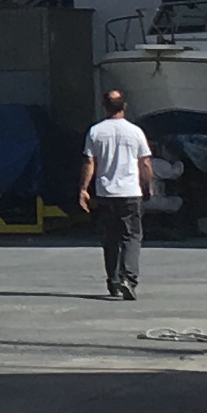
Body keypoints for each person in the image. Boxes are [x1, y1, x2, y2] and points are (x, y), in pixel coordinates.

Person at [79, 89, 154, 301]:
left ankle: (113, 281)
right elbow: (145, 162)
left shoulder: (95, 132)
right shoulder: (135, 132)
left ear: (104, 106)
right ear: (125, 106)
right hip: (130, 193)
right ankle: (128, 278)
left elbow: (89, 162)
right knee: (131, 237)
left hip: (105, 193)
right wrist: (148, 184)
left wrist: (84, 189)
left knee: (109, 239)